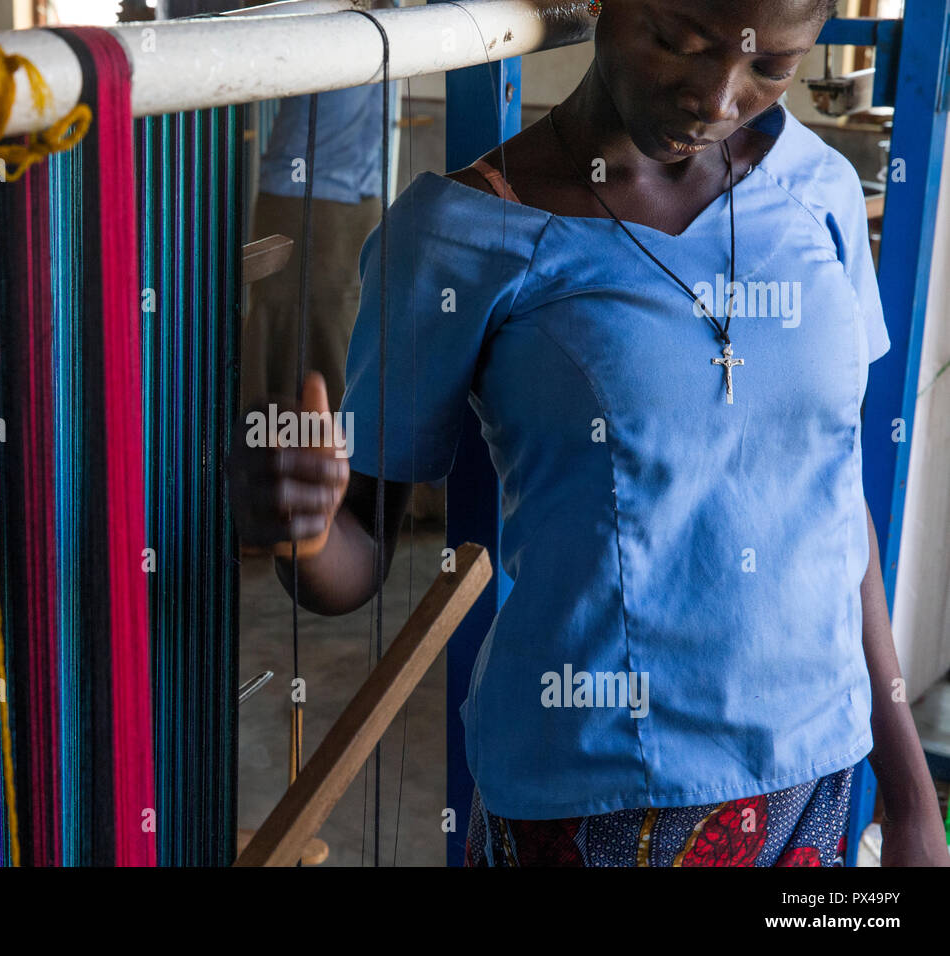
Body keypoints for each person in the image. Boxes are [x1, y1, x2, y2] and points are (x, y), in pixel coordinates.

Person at [228, 0, 950, 866]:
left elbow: (835, 499)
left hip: (817, 781)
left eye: (771, 67)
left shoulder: (820, 188)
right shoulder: (457, 237)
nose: (717, 99)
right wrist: (302, 532)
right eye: (677, 43)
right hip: (599, 803)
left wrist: (907, 795)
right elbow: (358, 562)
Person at [241, 0, 401, 413]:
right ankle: (300, 459)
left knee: (327, 340)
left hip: (333, 200)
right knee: (312, 341)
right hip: (317, 200)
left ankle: (319, 462)